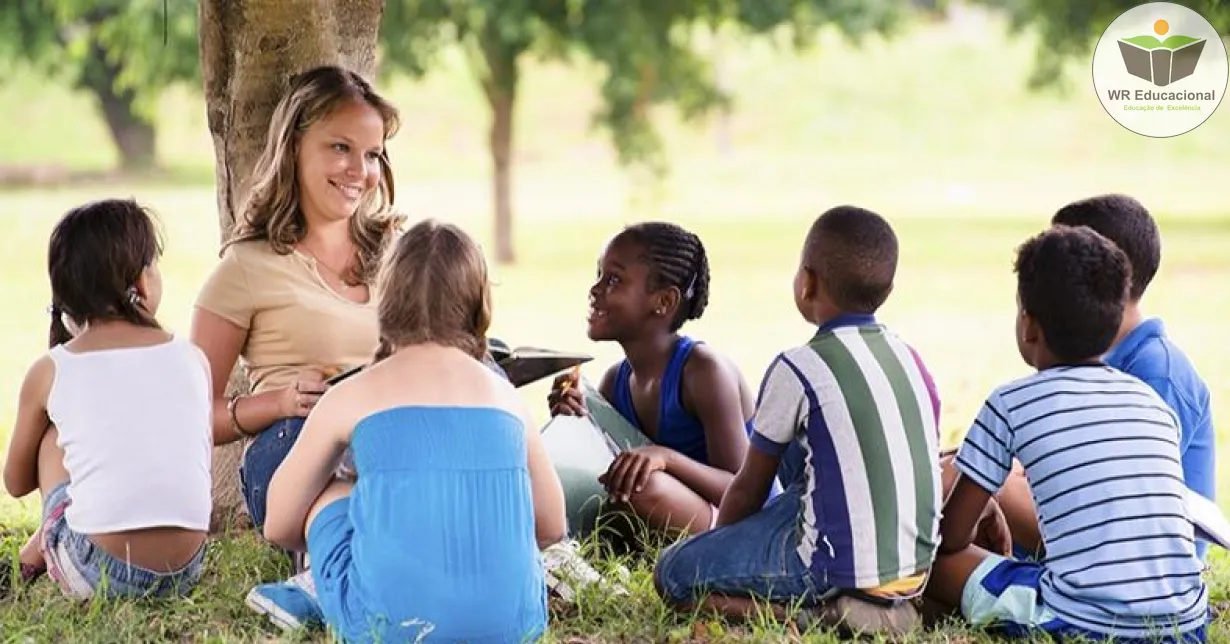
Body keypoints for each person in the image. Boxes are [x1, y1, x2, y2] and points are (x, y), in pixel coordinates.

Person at [258, 219, 567, 643]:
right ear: (478, 304)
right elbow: (552, 527)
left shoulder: (352, 394)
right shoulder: (506, 397)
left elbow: (278, 524)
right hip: (515, 627)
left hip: (385, 629)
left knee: (334, 490)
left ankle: (315, 587)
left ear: (386, 301)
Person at [653, 206, 942, 636]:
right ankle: (877, 602)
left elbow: (750, 486)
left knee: (673, 572)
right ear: (887, 287)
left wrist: (719, 544)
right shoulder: (910, 358)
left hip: (831, 568)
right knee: (801, 438)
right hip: (914, 571)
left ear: (807, 282)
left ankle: (818, 615)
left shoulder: (801, 366)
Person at [925, 225, 1207, 643]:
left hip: (1078, 623)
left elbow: (951, 537)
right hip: (1186, 625)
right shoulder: (1151, 401)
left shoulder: (1010, 402)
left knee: (931, 562)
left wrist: (979, 513)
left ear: (1029, 326)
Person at [190, 65, 402, 529]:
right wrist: (279, 402)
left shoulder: (400, 255)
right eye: (340, 148)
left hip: (391, 439)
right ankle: (340, 553)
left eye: (372, 155)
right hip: (297, 447)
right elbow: (188, 414)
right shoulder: (246, 267)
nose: (359, 171)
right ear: (294, 148)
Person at [3, 198, 212, 599]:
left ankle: (34, 556)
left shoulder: (52, 369)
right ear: (142, 282)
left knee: (51, 439)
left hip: (96, 571)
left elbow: (15, 483)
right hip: (186, 570)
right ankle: (35, 553)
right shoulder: (192, 358)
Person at [991, 194, 1217, 561]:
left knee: (989, 482)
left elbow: (1121, 504)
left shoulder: (1159, 373)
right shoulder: (1081, 354)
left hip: (1132, 559)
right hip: (1088, 535)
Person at [547, 222, 759, 540]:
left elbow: (743, 489)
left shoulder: (703, 372)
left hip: (743, 528)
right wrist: (575, 417)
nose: (595, 290)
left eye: (614, 280)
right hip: (677, 521)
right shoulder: (616, 381)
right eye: (599, 276)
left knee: (641, 485)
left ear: (664, 301)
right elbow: (596, 475)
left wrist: (666, 458)